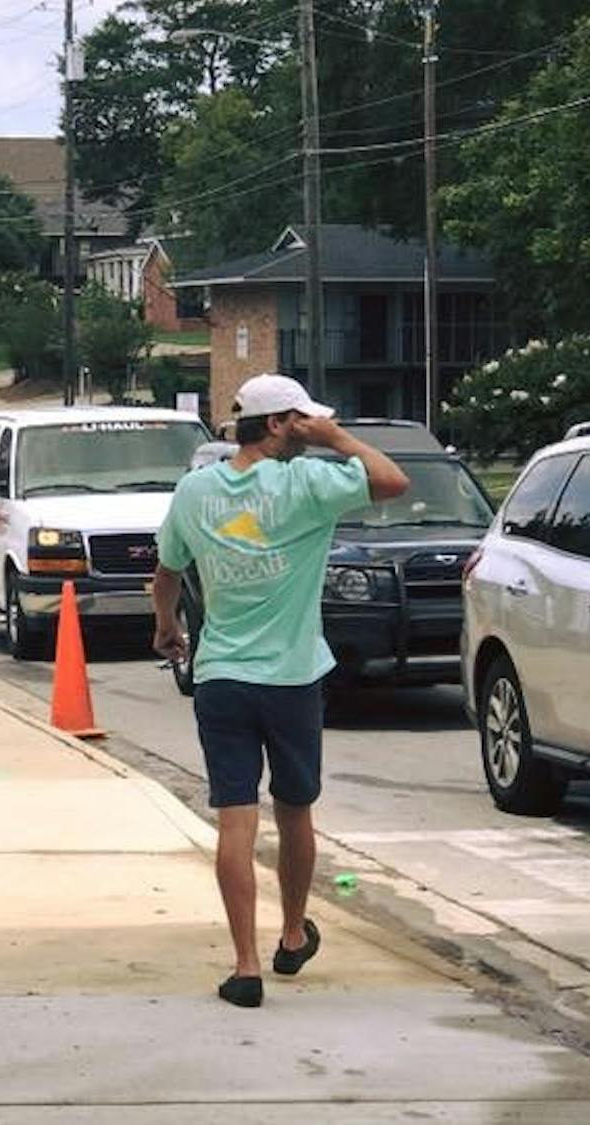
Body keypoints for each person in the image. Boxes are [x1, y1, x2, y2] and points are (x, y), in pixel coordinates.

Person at [152, 373, 409, 1008]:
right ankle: (292, 933)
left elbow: (167, 569)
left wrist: (166, 626)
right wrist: (337, 437)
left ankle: (244, 966)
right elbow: (392, 480)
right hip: (292, 677)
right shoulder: (308, 485)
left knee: (235, 816)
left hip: (221, 676)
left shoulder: (194, 491)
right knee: (295, 810)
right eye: (301, 421)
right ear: (276, 425)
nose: (311, 430)